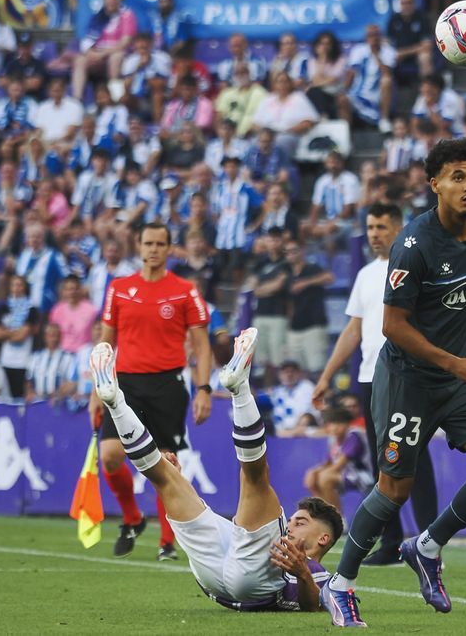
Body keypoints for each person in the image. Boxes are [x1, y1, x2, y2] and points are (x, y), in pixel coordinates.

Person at [321, 138, 466, 627]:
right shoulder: (413, 244)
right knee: (393, 491)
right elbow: (392, 327)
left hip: (455, 376)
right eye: (457, 178)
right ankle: (341, 586)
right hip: (408, 379)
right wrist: (456, 362)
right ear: (435, 186)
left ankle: (426, 546)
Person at [90, 328, 342, 611]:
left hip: (254, 584)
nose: (292, 525)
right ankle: (115, 402)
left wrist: (304, 575)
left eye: (301, 522)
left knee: (255, 477)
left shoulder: (315, 569)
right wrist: (178, 478)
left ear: (323, 538)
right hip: (214, 576)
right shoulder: (286, 545)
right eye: (295, 520)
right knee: (163, 476)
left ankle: (240, 387)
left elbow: (316, 606)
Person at [312, 202, 439, 566]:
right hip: (369, 378)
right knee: (384, 464)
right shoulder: (366, 274)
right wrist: (325, 376)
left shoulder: (416, 266)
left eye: (381, 226)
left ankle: (430, 538)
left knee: (414, 456)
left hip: (406, 374)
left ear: (398, 228)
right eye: (370, 227)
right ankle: (392, 541)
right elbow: (353, 330)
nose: (374, 233)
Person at [88, 222, 212, 561]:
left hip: (167, 384)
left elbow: (202, 346)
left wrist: (203, 388)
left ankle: (167, 541)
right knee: (111, 456)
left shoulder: (186, 290)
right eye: (148, 243)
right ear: (139, 246)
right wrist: (97, 388)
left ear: (170, 249)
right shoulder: (119, 288)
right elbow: (106, 340)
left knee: (164, 463)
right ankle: (131, 518)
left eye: (160, 244)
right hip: (124, 384)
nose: (153, 249)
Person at [304, 405, 374, 512]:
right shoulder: (333, 439)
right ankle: (324, 514)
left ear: (348, 423)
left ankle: (339, 518)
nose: (335, 427)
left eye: (339, 423)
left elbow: (338, 466)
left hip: (364, 476)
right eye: (332, 423)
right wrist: (314, 472)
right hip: (346, 474)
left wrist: (322, 474)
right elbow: (328, 463)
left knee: (325, 478)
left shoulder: (354, 436)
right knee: (311, 477)